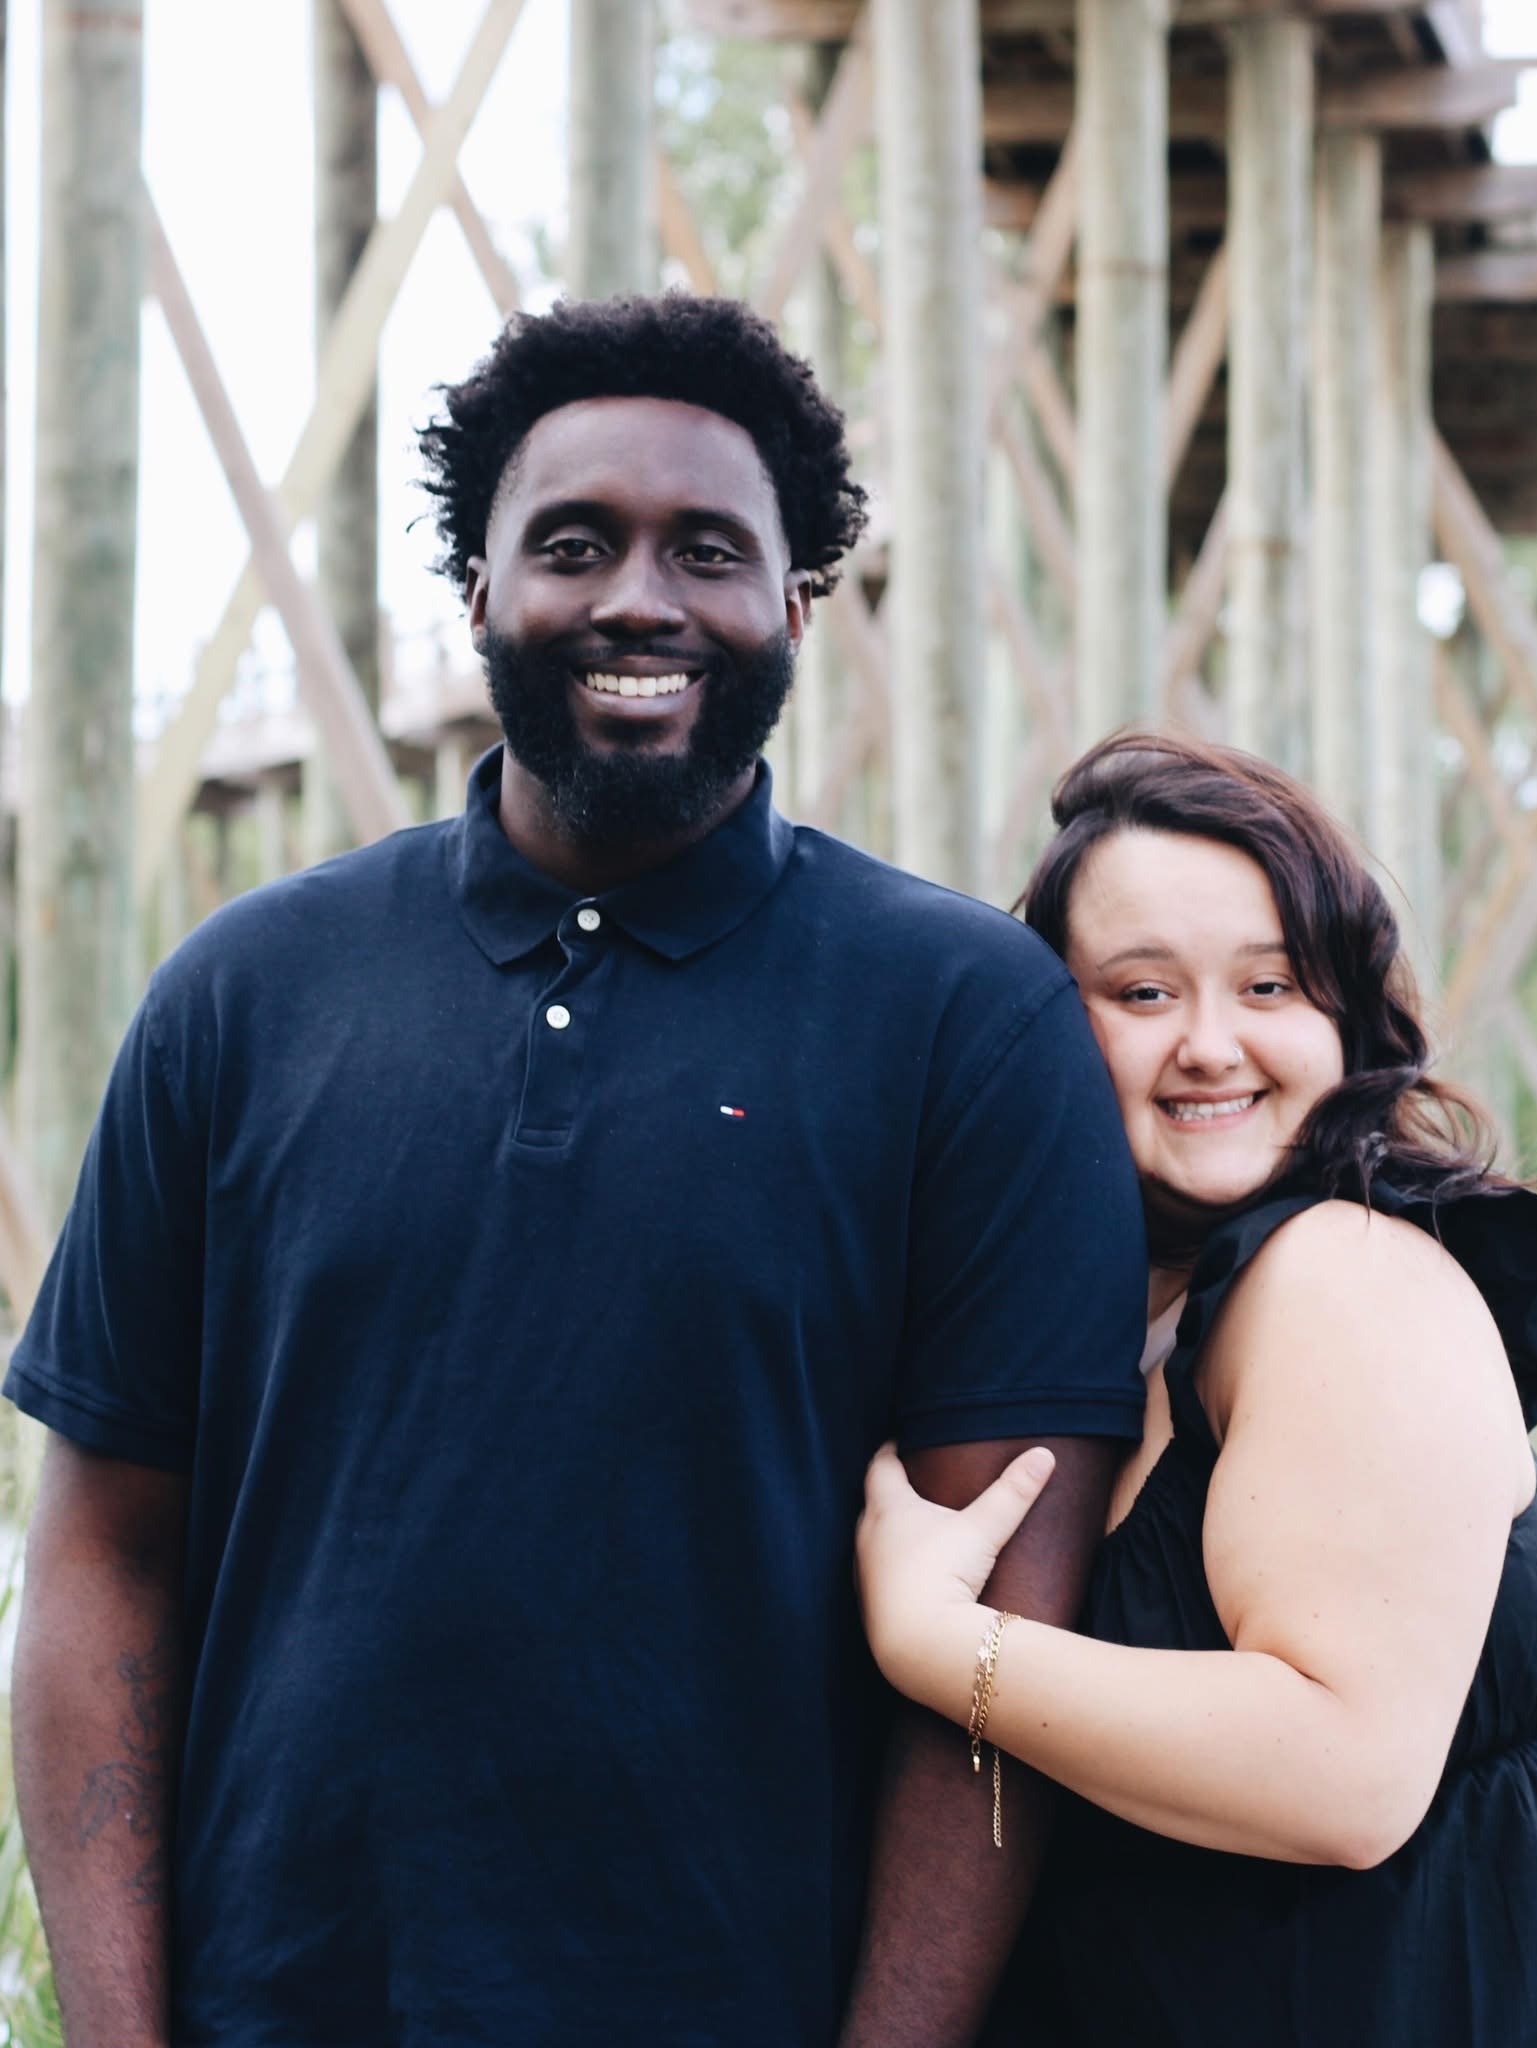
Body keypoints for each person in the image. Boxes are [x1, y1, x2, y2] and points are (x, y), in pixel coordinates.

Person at [5, 293, 1149, 2047]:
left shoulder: (966, 1022)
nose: (637, 598)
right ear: (478, 588)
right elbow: (102, 1561)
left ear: (796, 602)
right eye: (571, 544)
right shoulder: (245, 994)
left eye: (708, 550)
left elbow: (1006, 1634)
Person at [856, 732, 1537, 2045]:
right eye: (1143, 992)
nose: (1211, 1046)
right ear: (1051, 1023)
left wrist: (941, 1650)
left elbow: (1345, 1774)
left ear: (1343, 1016)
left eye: (1269, 985)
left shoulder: (1340, 1277)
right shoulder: (1111, 1312)